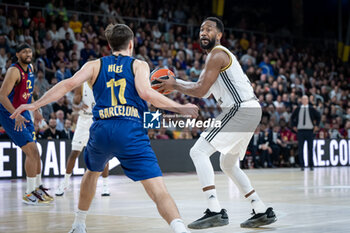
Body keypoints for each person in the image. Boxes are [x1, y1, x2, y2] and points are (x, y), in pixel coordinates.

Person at [11, 24, 198, 233]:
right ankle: (179, 228)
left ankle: (79, 224)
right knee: (157, 189)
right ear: (131, 44)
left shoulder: (94, 65)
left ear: (109, 45)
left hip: (101, 128)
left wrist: (35, 105)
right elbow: (146, 94)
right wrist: (180, 107)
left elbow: (67, 84)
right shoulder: (139, 65)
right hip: (129, 129)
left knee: (91, 172)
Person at [157, 17, 277, 229]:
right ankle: (260, 209)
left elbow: (200, 90)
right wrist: (176, 84)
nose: (203, 32)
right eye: (201, 29)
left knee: (198, 151)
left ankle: (214, 210)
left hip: (240, 109)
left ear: (219, 35)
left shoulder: (217, 54)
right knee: (227, 163)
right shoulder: (214, 60)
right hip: (249, 110)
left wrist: (175, 85)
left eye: (209, 29)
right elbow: (199, 86)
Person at [0, 43, 53, 205]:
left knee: (36, 152)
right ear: (17, 54)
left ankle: (37, 188)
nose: (28, 53)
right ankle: (29, 193)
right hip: (10, 114)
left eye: (29, 51)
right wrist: (15, 114)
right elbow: (2, 96)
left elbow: (27, 95)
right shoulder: (13, 71)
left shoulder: (30, 68)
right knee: (31, 151)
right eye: (24, 51)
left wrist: (35, 110)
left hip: (23, 112)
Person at [55, 82, 114, 197]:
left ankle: (105, 185)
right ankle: (65, 183)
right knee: (74, 153)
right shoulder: (82, 84)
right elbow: (74, 105)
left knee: (104, 154)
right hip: (84, 120)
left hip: (98, 120)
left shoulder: (104, 82)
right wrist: (78, 105)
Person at [291, 95, 320, 171]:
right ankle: (302, 165)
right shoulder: (298, 108)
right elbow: (292, 117)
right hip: (300, 130)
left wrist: (316, 125)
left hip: (309, 130)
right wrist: (293, 126)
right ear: (301, 100)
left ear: (307, 100)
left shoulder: (311, 108)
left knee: (310, 148)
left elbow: (318, 116)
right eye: (303, 99)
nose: (304, 100)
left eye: (305, 99)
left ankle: (311, 165)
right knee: (301, 149)